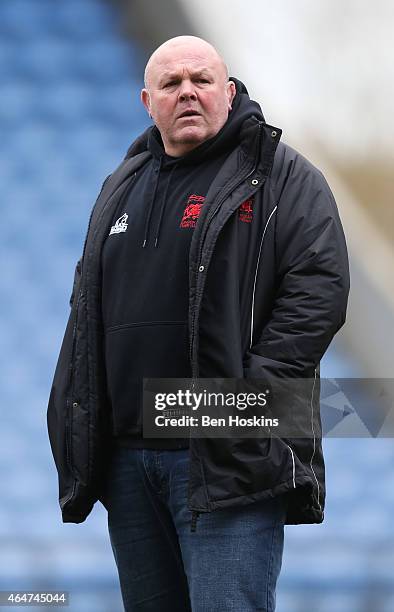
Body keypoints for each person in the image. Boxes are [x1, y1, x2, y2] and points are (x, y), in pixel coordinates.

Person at [47, 35, 350, 611]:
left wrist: (247, 398)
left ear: (228, 92)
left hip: (224, 456)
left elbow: (320, 289)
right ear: (147, 101)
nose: (188, 91)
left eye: (201, 80)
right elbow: (86, 309)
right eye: (171, 84)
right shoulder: (121, 185)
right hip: (129, 462)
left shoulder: (281, 177)